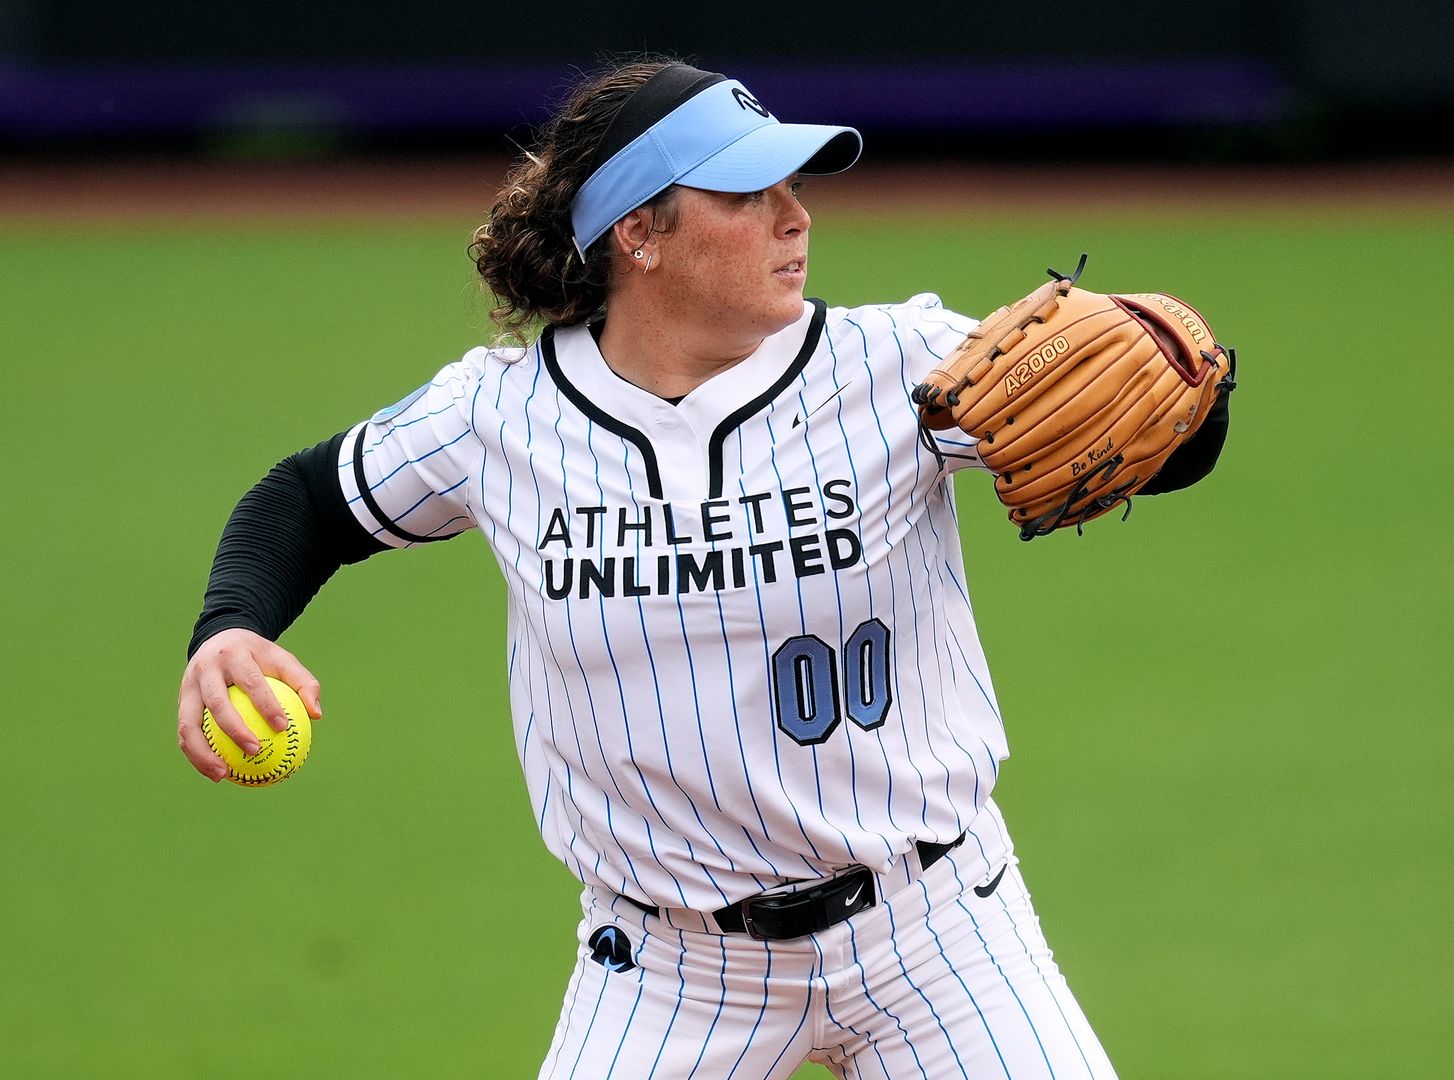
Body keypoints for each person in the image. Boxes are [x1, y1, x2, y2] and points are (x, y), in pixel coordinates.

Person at [179, 58, 1228, 1079]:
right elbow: (308, 498)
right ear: (639, 232)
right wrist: (231, 626)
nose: (795, 216)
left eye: (794, 184)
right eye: (745, 192)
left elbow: (1159, 443)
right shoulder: (498, 416)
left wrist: (1187, 413)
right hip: (672, 971)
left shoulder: (899, 365)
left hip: (939, 934)